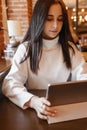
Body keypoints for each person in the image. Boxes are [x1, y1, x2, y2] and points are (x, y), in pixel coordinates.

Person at [2, 0, 87, 120]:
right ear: (39, 18)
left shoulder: (70, 49)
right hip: (34, 111)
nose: (55, 25)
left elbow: (84, 77)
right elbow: (10, 84)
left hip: (64, 110)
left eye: (60, 19)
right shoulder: (26, 49)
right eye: (49, 19)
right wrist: (33, 101)